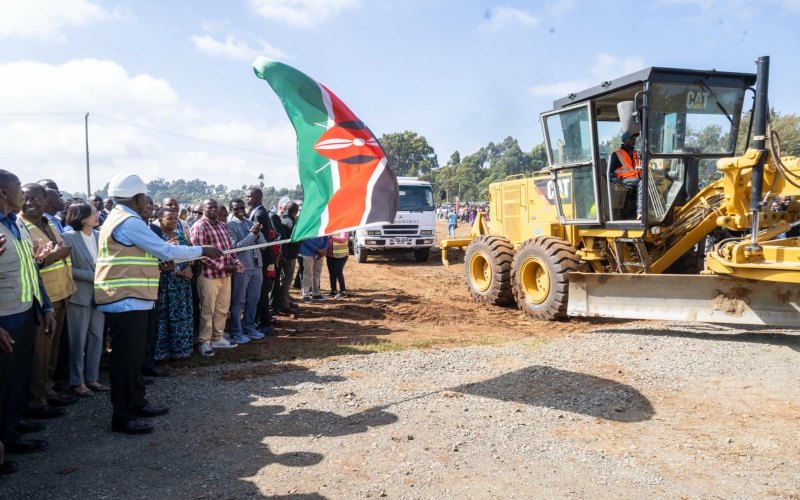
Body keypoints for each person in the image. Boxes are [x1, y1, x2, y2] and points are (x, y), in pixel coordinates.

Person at [95, 174, 222, 435]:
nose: (148, 203)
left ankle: (137, 403)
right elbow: (166, 250)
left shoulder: (120, 218)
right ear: (138, 197)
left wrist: (158, 264)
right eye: (145, 198)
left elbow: (144, 254)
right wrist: (202, 250)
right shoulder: (128, 221)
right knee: (125, 362)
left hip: (132, 298)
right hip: (126, 300)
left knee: (134, 359)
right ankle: (123, 417)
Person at [0, 170, 56, 457]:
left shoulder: (18, 225)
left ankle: (11, 427)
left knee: (17, 377)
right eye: (18, 187)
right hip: (4, 320)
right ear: (3, 192)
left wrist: (45, 306)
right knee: (3, 382)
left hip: (26, 312)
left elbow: (31, 270)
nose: (23, 194)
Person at [19, 184, 78, 418]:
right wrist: (54, 255)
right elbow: (36, 261)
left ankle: (48, 389)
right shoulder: (21, 226)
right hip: (44, 298)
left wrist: (58, 253)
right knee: (40, 354)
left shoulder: (49, 224)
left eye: (34, 198)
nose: (29, 202)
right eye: (25, 197)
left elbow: (63, 249)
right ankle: (37, 400)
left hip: (61, 293)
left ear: (46, 202)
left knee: (52, 352)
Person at [62, 203, 108, 397]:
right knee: (78, 340)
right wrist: (94, 276)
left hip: (100, 296)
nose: (97, 215)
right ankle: (77, 381)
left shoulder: (100, 236)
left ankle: (92, 378)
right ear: (81, 217)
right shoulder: (67, 238)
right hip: (79, 296)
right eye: (93, 213)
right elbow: (66, 268)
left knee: (97, 337)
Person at [190, 198, 243, 357]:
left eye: (215, 207)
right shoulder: (199, 226)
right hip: (209, 275)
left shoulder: (222, 225)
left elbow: (229, 249)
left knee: (222, 308)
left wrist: (237, 262)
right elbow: (200, 253)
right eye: (209, 207)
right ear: (203, 209)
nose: (213, 209)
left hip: (225, 275)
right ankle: (204, 341)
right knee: (207, 310)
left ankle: (217, 338)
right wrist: (222, 266)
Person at [150, 208, 195, 361]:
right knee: (165, 318)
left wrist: (188, 267)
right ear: (160, 219)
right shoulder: (156, 237)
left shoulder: (180, 234)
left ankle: (182, 350)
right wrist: (178, 271)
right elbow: (155, 258)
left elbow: (189, 253)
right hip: (166, 284)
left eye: (176, 218)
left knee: (182, 315)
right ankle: (163, 353)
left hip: (182, 284)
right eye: (170, 218)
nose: (174, 221)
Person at [227, 199, 268, 343]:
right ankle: (236, 332)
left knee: (253, 299)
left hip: (257, 266)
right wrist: (252, 235)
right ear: (231, 210)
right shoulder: (230, 226)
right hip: (242, 267)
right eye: (236, 208)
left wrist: (256, 233)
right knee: (239, 301)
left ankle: (249, 327)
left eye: (241, 207)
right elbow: (235, 248)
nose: (240, 210)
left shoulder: (251, 223)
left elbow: (264, 245)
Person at [246, 188, 278, 331]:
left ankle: (264, 322)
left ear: (257, 197)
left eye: (249, 196)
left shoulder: (259, 214)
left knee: (261, 291)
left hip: (262, 257)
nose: (247, 198)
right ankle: (262, 319)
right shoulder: (259, 211)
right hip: (263, 256)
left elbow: (261, 238)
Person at [609, 132, 644, 219]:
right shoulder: (617, 154)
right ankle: (640, 212)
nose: (634, 141)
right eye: (631, 139)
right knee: (642, 183)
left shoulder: (637, 153)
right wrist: (613, 179)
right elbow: (610, 171)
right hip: (624, 180)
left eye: (634, 139)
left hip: (637, 178)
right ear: (625, 140)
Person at [279, 202, 300, 313]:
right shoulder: (291, 223)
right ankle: (285, 304)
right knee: (286, 281)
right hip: (289, 255)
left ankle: (286, 300)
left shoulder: (281, 220)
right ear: (295, 211)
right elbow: (295, 240)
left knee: (285, 280)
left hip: (284, 255)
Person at [299, 236, 328, 302]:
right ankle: (305, 295)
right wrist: (316, 249)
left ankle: (316, 293)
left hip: (320, 252)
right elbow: (304, 239)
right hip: (308, 252)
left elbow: (326, 237)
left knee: (317, 273)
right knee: (308, 273)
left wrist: (324, 249)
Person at [326, 232, 349, 298]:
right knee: (331, 273)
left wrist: (330, 236)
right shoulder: (330, 229)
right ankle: (333, 290)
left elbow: (343, 239)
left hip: (341, 255)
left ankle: (343, 291)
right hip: (330, 255)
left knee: (338, 272)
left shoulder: (344, 229)